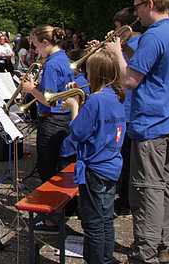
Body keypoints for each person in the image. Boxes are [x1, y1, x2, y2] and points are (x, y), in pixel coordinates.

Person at [105, 0, 169, 264]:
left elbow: (129, 80)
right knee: (165, 184)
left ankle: (145, 252)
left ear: (150, 4)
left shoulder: (154, 36)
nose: (136, 13)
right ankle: (163, 244)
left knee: (146, 189)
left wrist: (116, 53)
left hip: (151, 124)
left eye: (138, 6)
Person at [59, 50, 126, 264]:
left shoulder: (96, 100)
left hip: (95, 168)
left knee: (93, 223)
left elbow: (78, 132)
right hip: (111, 164)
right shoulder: (116, 96)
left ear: (95, 73)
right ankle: (106, 259)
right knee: (105, 219)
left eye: (88, 71)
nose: (86, 75)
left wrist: (74, 107)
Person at [21, 25, 76, 231]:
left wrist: (31, 89)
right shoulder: (63, 58)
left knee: (47, 169)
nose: (35, 50)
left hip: (52, 120)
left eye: (36, 45)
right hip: (64, 119)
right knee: (59, 166)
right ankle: (63, 210)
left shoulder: (52, 64)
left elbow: (49, 100)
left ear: (45, 43)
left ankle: (52, 217)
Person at [112, 6, 142, 213]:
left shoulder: (138, 44)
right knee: (123, 155)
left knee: (127, 158)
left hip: (131, 109)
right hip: (123, 105)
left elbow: (132, 69)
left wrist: (118, 49)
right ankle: (122, 195)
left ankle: (125, 201)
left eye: (117, 28)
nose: (115, 32)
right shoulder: (125, 45)